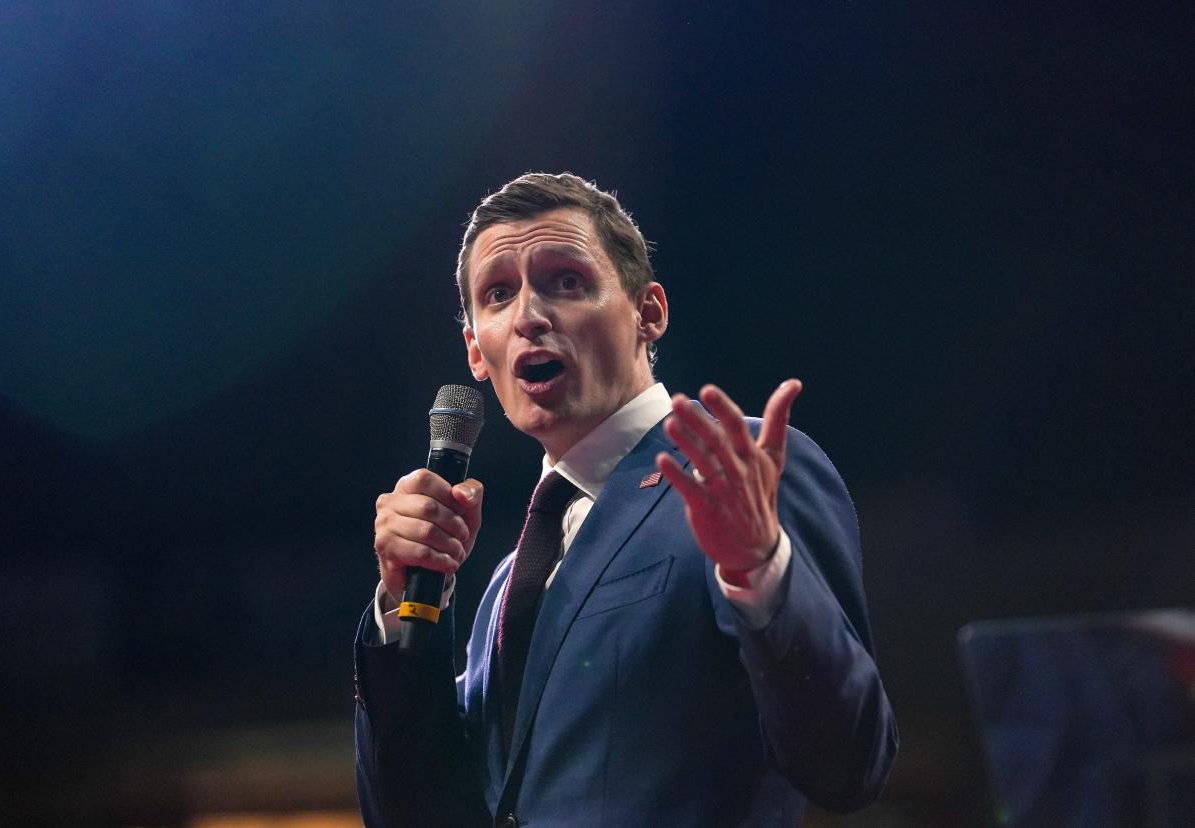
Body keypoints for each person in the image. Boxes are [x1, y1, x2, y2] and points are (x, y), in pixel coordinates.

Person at [355, 173, 898, 827]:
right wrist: (404, 608)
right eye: (498, 294)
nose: (529, 315)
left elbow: (851, 766)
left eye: (566, 281)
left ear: (649, 312)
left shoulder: (738, 476)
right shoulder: (502, 587)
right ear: (477, 349)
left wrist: (762, 570)